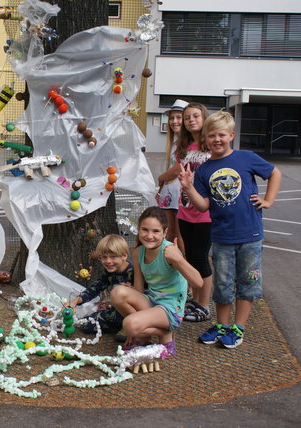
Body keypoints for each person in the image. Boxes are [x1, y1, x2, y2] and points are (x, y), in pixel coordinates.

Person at [178, 111, 282, 348]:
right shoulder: (204, 170)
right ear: (205, 138)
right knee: (223, 284)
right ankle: (222, 325)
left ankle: (238, 327)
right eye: (211, 135)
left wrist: (268, 200)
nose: (217, 139)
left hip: (250, 235)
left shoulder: (246, 158)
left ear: (231, 135)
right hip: (222, 236)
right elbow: (203, 205)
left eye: (221, 135)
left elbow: (274, 172)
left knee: (247, 282)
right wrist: (188, 187)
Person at [111, 207, 203, 356]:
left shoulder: (169, 252)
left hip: (170, 309)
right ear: (138, 230)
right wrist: (128, 291)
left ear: (165, 233)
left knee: (128, 325)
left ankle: (164, 334)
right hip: (152, 301)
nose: (149, 236)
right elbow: (139, 289)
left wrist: (178, 258)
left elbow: (198, 283)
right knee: (116, 292)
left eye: (156, 231)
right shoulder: (138, 252)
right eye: (145, 230)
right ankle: (145, 333)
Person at [175, 103, 214, 324]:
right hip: (185, 210)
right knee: (190, 257)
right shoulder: (185, 148)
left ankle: (204, 305)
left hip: (204, 213)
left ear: (204, 118)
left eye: (195, 116)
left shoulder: (210, 146)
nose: (191, 120)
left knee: (201, 258)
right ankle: (196, 300)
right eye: (187, 117)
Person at [65, 234, 133, 336]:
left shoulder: (134, 271)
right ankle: (117, 324)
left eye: (113, 257)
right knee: (86, 325)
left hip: (134, 313)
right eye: (104, 257)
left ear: (124, 255)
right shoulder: (110, 272)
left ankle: (127, 327)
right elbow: (95, 287)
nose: (108, 261)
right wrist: (76, 301)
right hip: (116, 312)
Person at [155, 99, 188, 245]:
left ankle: (184, 267)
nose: (174, 121)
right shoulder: (175, 143)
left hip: (181, 197)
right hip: (169, 196)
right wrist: (161, 189)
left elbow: (177, 169)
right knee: (170, 237)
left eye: (179, 117)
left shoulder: (190, 143)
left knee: (181, 239)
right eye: (172, 118)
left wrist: (161, 177)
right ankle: (172, 267)